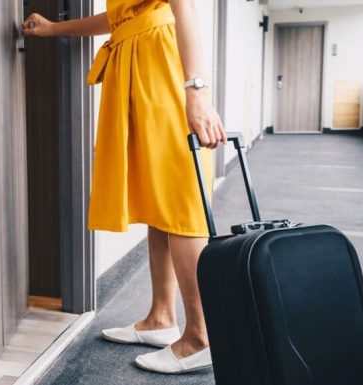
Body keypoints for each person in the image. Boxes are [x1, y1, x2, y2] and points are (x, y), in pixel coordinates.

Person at [23, 0, 227, 375]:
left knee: (181, 197)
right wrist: (53, 29)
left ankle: (201, 338)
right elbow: (117, 17)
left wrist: (195, 90)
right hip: (139, 62)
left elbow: (185, 5)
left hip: (162, 62)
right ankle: (161, 318)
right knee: (157, 197)